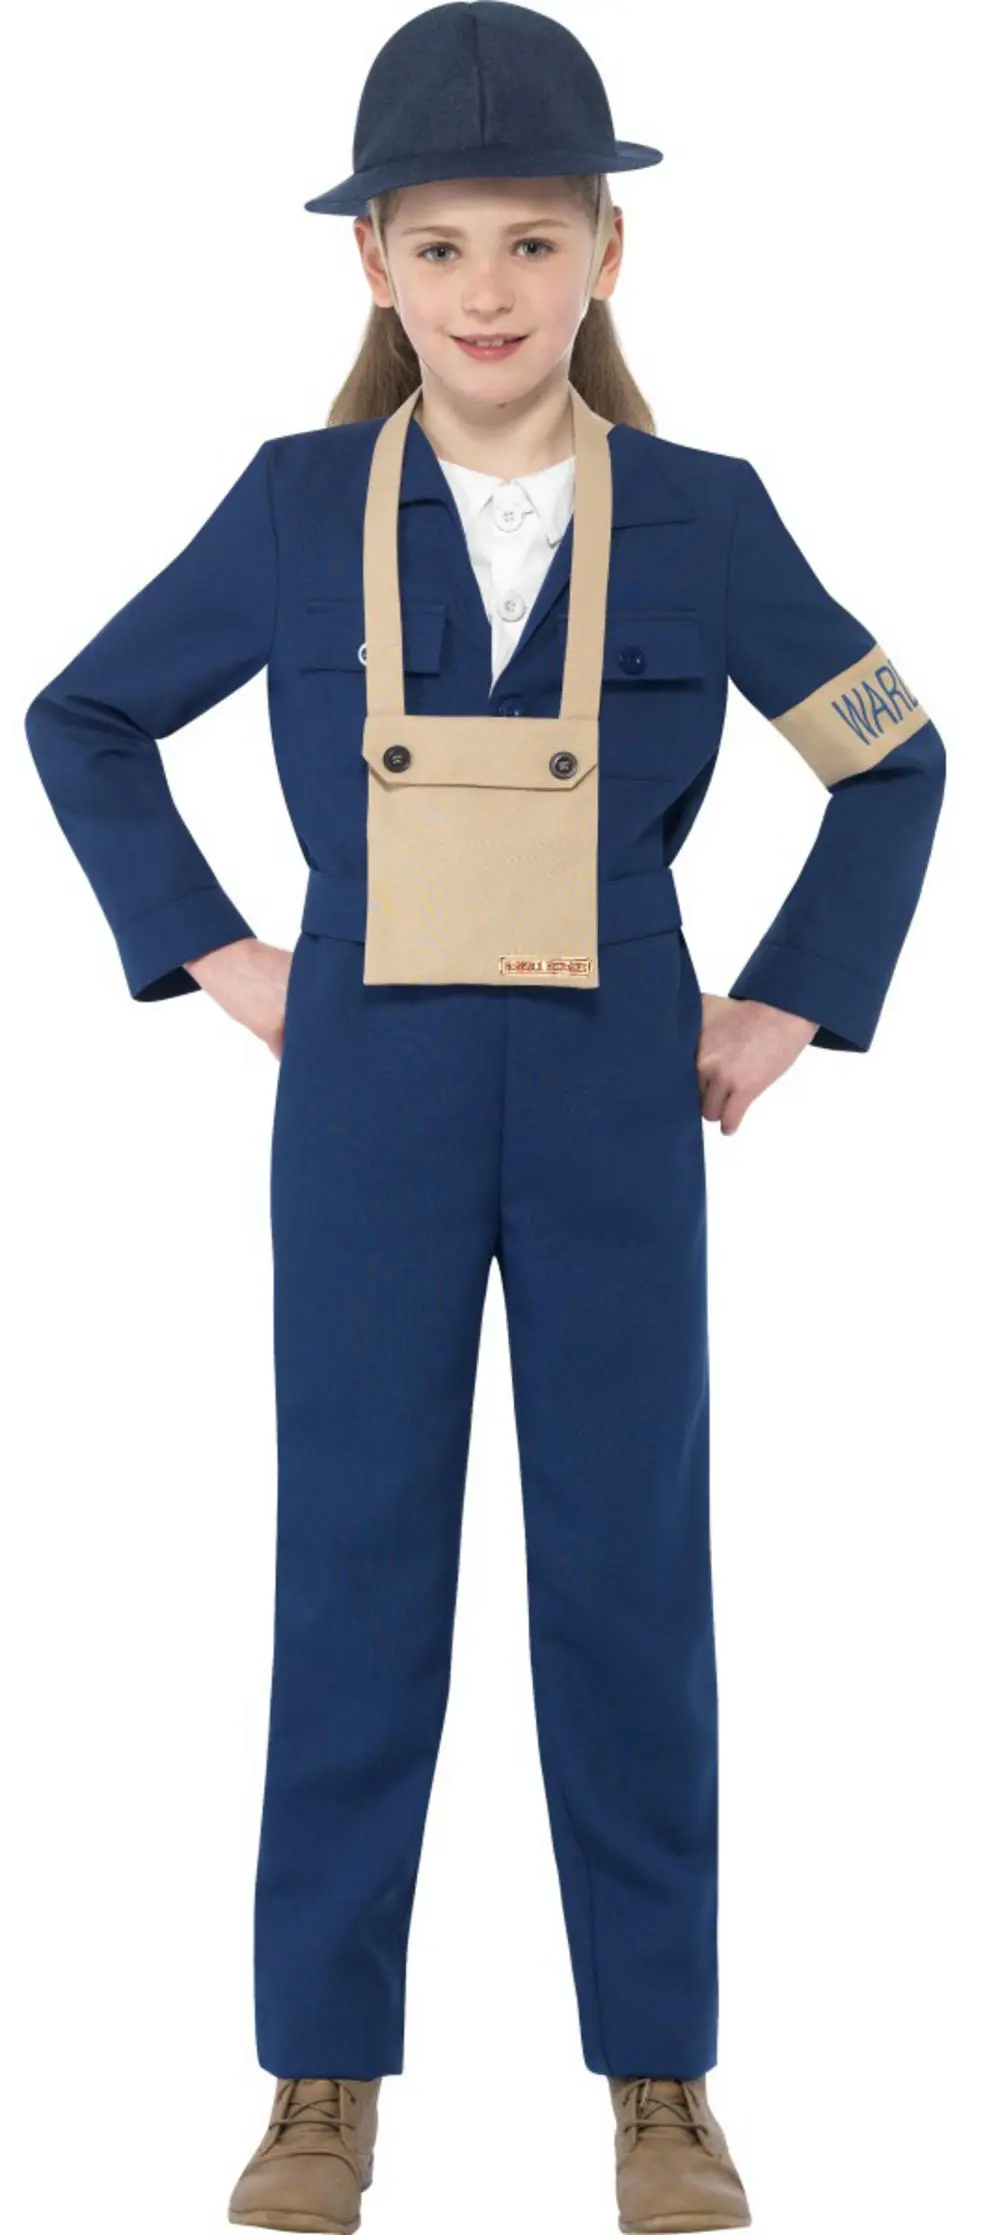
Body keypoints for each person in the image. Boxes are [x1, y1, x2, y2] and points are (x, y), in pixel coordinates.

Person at [23, 4, 946, 2230]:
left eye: (533, 239)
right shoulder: (291, 504)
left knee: (627, 1573)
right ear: (371, 264)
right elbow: (83, 714)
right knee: (354, 1563)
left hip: (619, 1087)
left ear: (608, 252)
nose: (487, 290)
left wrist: (792, 997)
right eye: (437, 245)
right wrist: (214, 949)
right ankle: (317, 2078)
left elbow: (895, 753)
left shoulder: (708, 515)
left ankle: (661, 2080)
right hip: (371, 1091)